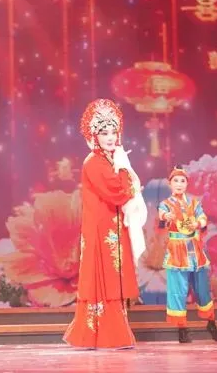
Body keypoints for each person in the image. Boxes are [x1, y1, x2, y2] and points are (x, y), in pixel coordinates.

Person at [63, 99, 144, 349]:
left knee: (114, 278)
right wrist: (127, 176)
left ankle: (112, 334)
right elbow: (117, 191)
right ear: (94, 136)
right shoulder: (93, 162)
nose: (110, 137)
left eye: (113, 132)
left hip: (113, 227)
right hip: (101, 229)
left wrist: (123, 169)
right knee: (104, 278)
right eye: (104, 132)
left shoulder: (110, 159)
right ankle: (104, 336)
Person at [157, 166, 217, 343]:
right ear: (170, 184)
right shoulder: (165, 204)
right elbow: (162, 215)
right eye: (175, 181)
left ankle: (211, 323)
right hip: (177, 251)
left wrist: (197, 224)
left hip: (194, 250)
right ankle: (182, 329)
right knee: (178, 291)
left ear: (187, 184)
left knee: (202, 289)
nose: (179, 184)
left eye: (182, 181)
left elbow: (203, 218)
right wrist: (166, 216)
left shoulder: (194, 203)